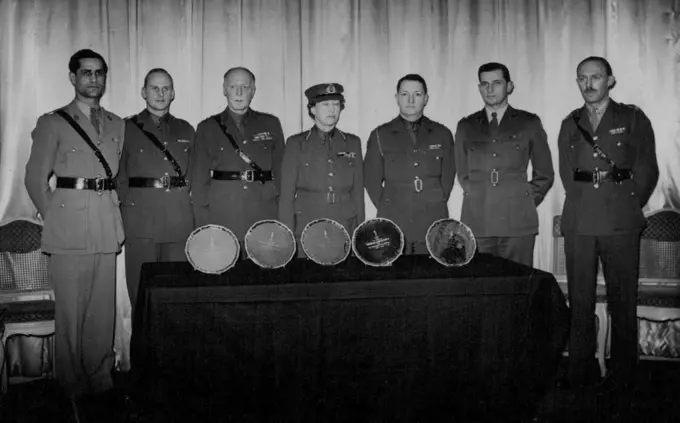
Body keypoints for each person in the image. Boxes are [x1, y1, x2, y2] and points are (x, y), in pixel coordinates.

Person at [24, 49, 125, 402]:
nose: (93, 79)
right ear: (73, 77)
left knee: (102, 310)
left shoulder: (117, 123)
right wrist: (57, 215)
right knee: (70, 312)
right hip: (69, 228)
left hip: (105, 225)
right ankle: (70, 384)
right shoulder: (53, 122)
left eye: (99, 73)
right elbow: (35, 179)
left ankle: (100, 376)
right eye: (86, 73)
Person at [557, 56, 658, 390]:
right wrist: (586, 204)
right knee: (581, 301)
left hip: (620, 222)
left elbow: (646, 169)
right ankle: (580, 372)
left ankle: (625, 375)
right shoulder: (570, 123)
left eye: (596, 77)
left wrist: (627, 205)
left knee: (622, 301)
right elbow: (568, 175)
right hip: (580, 223)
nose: (589, 84)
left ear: (610, 81)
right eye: (582, 78)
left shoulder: (631, 117)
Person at [454, 62, 554, 267]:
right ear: (479, 88)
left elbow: (544, 173)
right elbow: (463, 174)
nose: (490, 89)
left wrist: (523, 200)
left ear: (509, 86)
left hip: (517, 222)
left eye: (497, 83)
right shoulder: (466, 126)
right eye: (484, 84)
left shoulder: (529, 122)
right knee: (482, 286)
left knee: (518, 285)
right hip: (478, 220)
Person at [116, 68, 195, 312]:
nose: (160, 93)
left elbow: (192, 176)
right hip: (140, 224)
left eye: (166, 88)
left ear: (173, 94)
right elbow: (118, 179)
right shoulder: (125, 128)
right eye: (154, 88)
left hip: (178, 223)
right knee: (141, 296)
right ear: (143, 92)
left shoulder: (187, 129)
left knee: (178, 297)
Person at [190, 67, 285, 244]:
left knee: (263, 270)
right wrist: (203, 225)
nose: (239, 92)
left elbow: (281, 173)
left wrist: (282, 217)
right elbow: (199, 181)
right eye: (233, 86)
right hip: (223, 214)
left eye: (245, 87)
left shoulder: (271, 123)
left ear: (253, 91)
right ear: (224, 89)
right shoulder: (207, 127)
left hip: (264, 212)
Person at [363, 74, 455, 254]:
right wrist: (389, 206)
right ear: (396, 98)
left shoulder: (442, 133)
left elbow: (448, 176)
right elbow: (371, 181)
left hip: (432, 218)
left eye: (417, 94)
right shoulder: (380, 134)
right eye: (405, 94)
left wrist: (434, 200)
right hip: (395, 218)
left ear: (426, 98)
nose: (411, 100)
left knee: (430, 275)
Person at [278, 83, 365, 245]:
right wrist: (287, 235)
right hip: (307, 224)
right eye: (325, 105)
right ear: (312, 109)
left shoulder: (352, 142)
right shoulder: (296, 144)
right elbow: (286, 196)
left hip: (344, 223)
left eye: (336, 105)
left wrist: (359, 231)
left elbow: (358, 192)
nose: (332, 110)